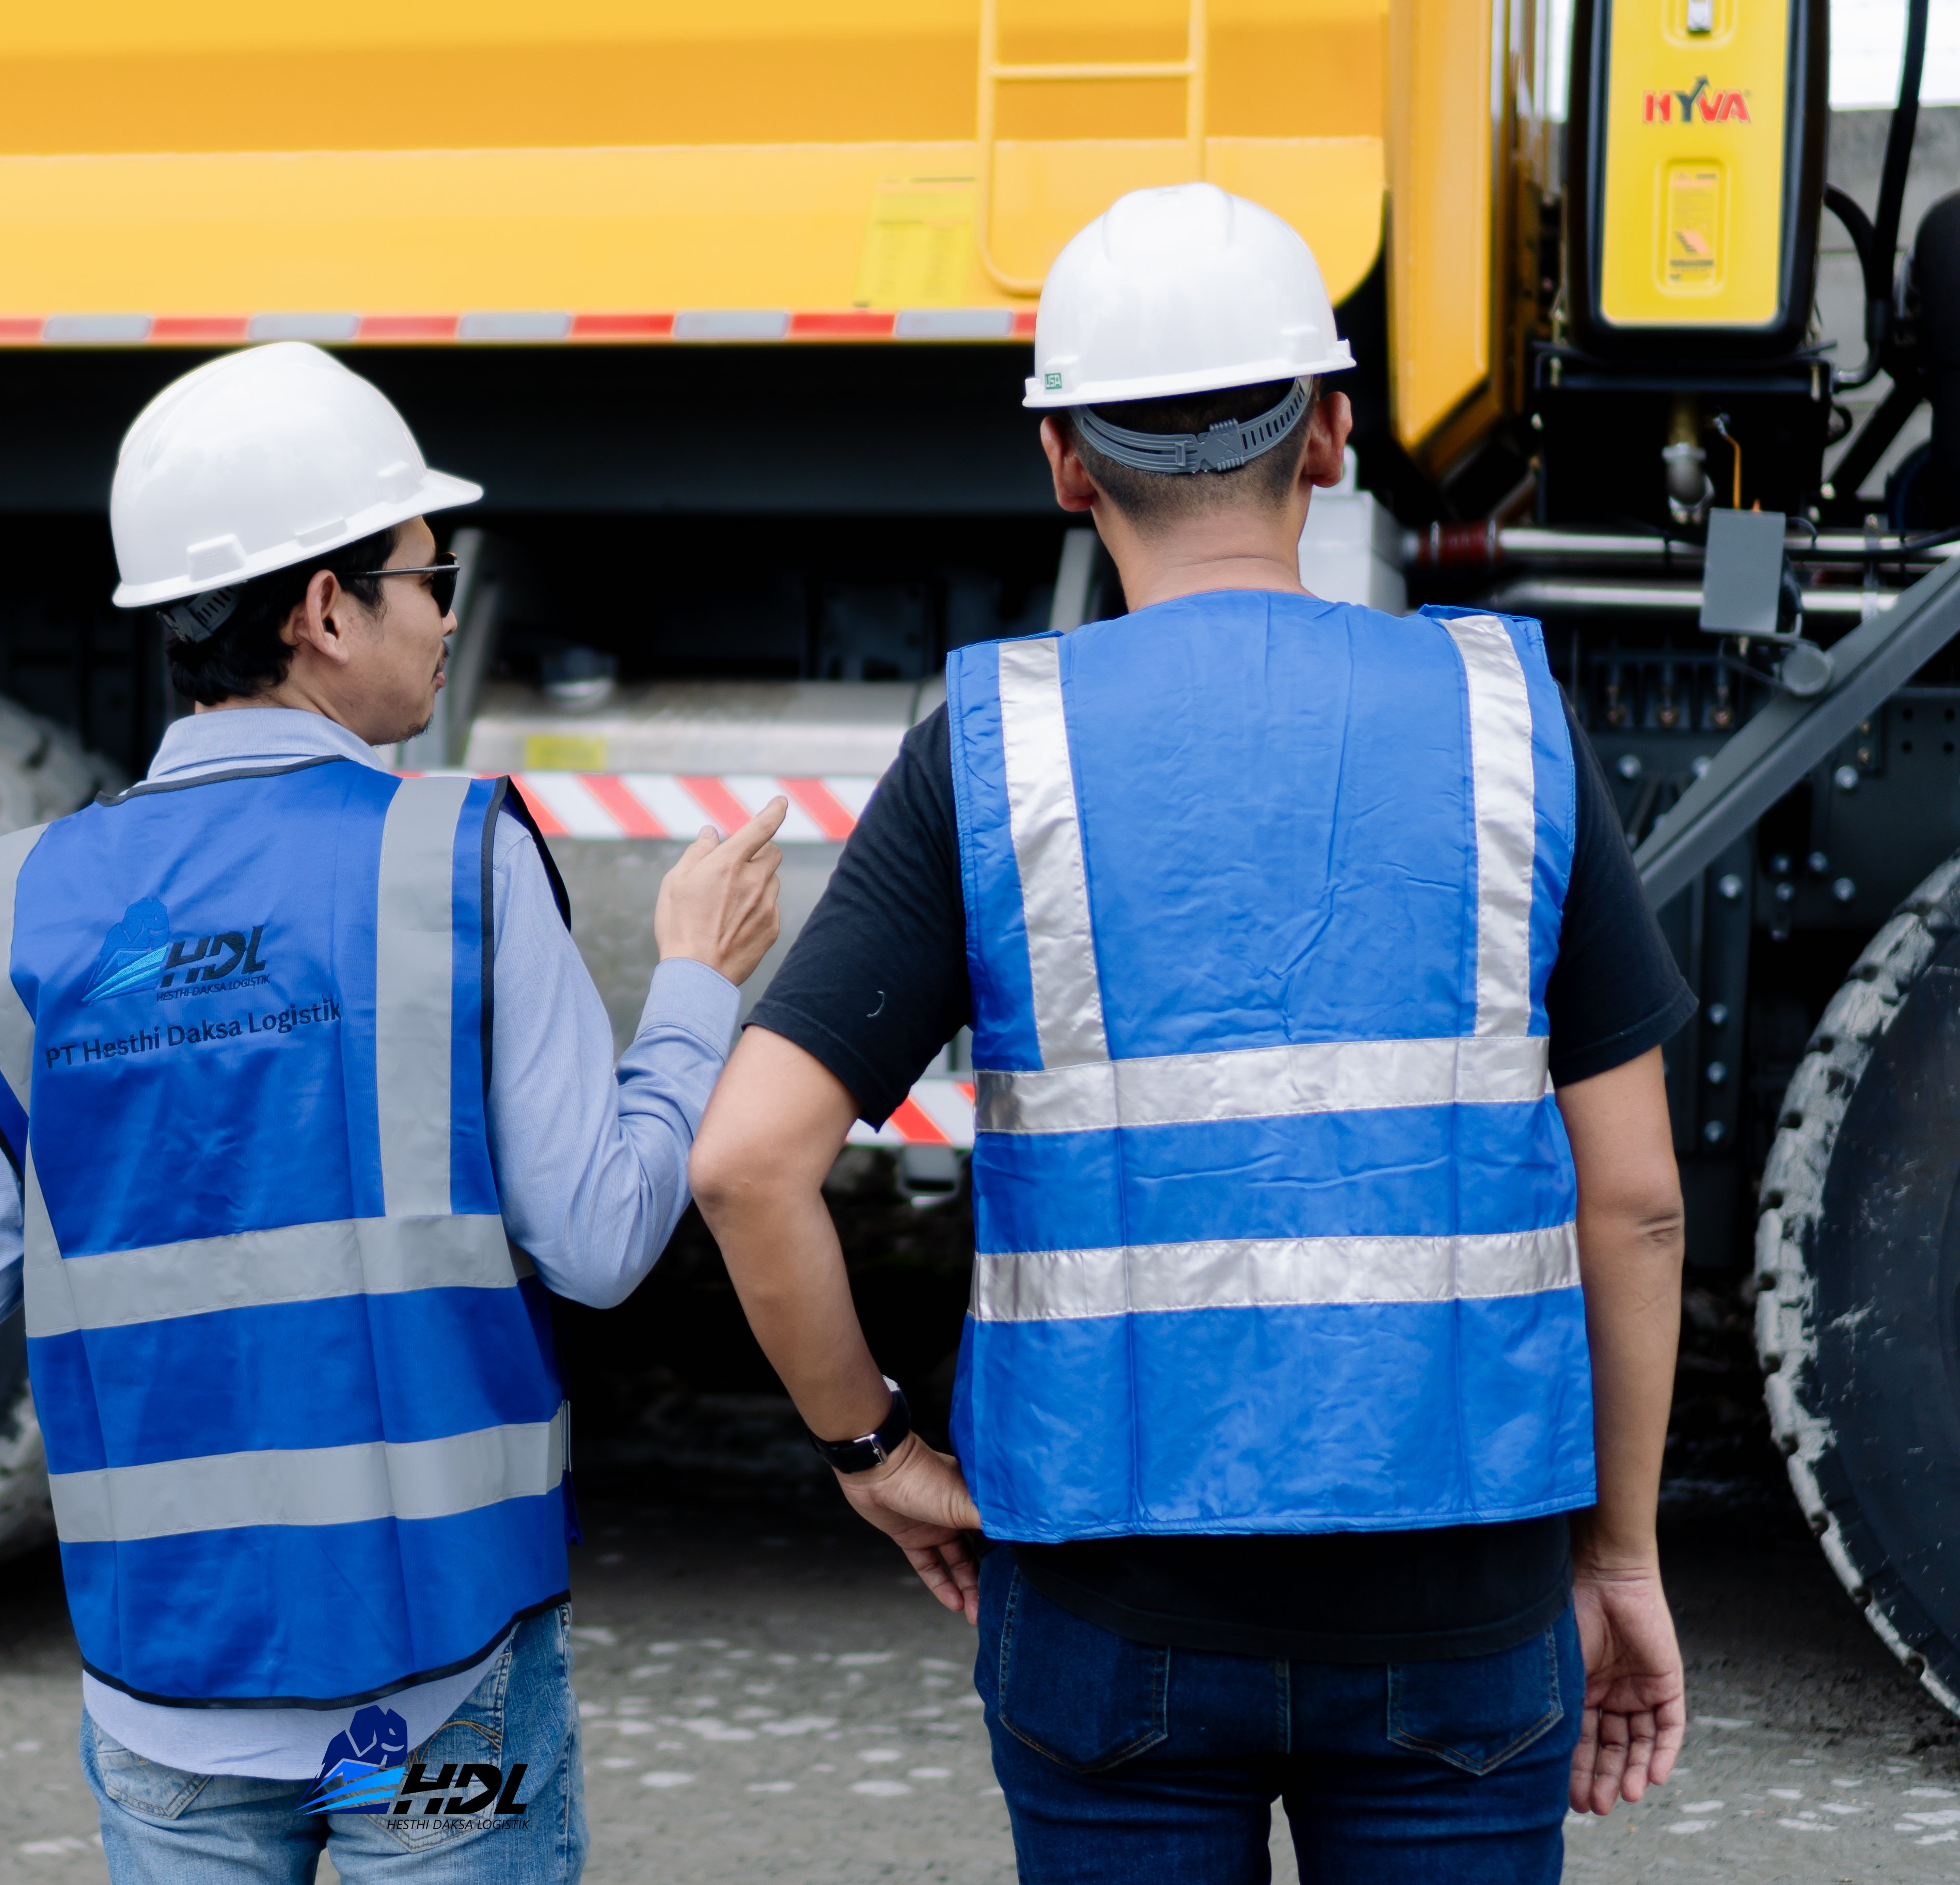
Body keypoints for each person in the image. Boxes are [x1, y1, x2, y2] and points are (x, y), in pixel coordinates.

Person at [687, 184, 1694, 1880]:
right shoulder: (1506, 721)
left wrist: (875, 1451)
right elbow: (1640, 1201)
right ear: (1334, 434)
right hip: (1459, 1599)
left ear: (1067, 463)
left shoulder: (996, 752)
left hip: (1110, 1606)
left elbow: (743, 1166)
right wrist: (1622, 1558)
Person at [0, 339, 785, 1882]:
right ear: (321, 611)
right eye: (427, 574)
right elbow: (599, 1241)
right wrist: (699, 988)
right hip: (439, 1711)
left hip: (166, 1706)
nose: (449, 612)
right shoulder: (453, 862)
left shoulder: (23, 905)